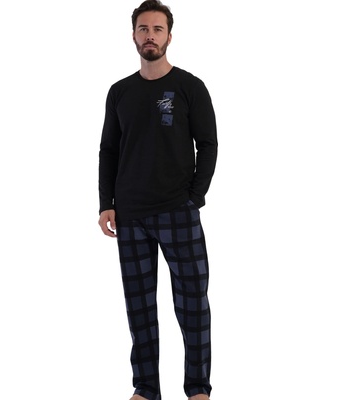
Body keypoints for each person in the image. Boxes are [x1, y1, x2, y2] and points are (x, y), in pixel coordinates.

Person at [98, 1, 218, 399]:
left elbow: (208, 144)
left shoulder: (189, 87)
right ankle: (146, 388)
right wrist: (105, 203)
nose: (150, 35)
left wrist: (194, 198)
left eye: (157, 29)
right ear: (133, 35)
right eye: (143, 29)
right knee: (140, 307)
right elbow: (108, 150)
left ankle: (197, 388)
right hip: (130, 214)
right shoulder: (120, 92)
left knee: (193, 304)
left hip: (178, 212)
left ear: (169, 36)